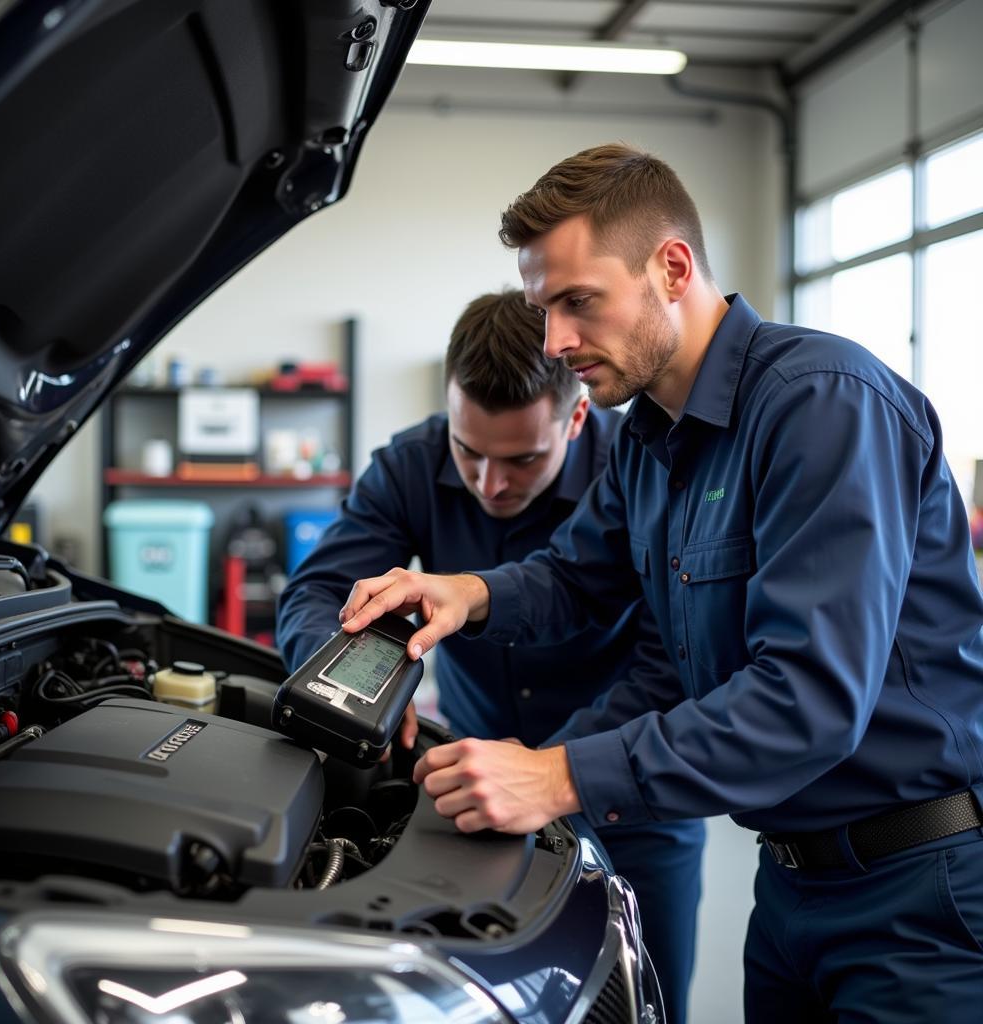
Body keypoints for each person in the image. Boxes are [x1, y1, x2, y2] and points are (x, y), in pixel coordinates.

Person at [337, 144, 983, 1022]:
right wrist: (467, 594)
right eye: (543, 309)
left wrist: (560, 775)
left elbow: (807, 699)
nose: (557, 343)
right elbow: (575, 578)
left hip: (918, 893)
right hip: (793, 882)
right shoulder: (652, 437)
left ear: (670, 268)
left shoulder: (821, 404)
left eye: (578, 303)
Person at [276, 290, 705, 1024]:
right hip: (467, 788)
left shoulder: (640, 475)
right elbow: (319, 591)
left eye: (522, 459)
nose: (489, 483)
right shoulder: (409, 464)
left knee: (639, 1003)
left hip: (628, 791)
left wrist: (551, 770)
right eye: (468, 451)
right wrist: (358, 684)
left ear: (576, 416)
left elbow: (670, 663)